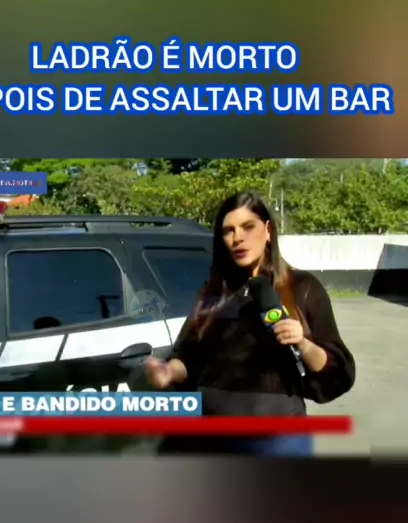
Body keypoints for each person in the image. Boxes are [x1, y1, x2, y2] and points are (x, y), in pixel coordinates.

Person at [145, 190, 356, 456]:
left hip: (278, 442)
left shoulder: (302, 288)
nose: (238, 238)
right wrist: (168, 372)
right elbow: (189, 359)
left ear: (268, 230)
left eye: (248, 227)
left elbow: (338, 371)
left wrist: (303, 344)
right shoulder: (212, 293)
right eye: (228, 231)